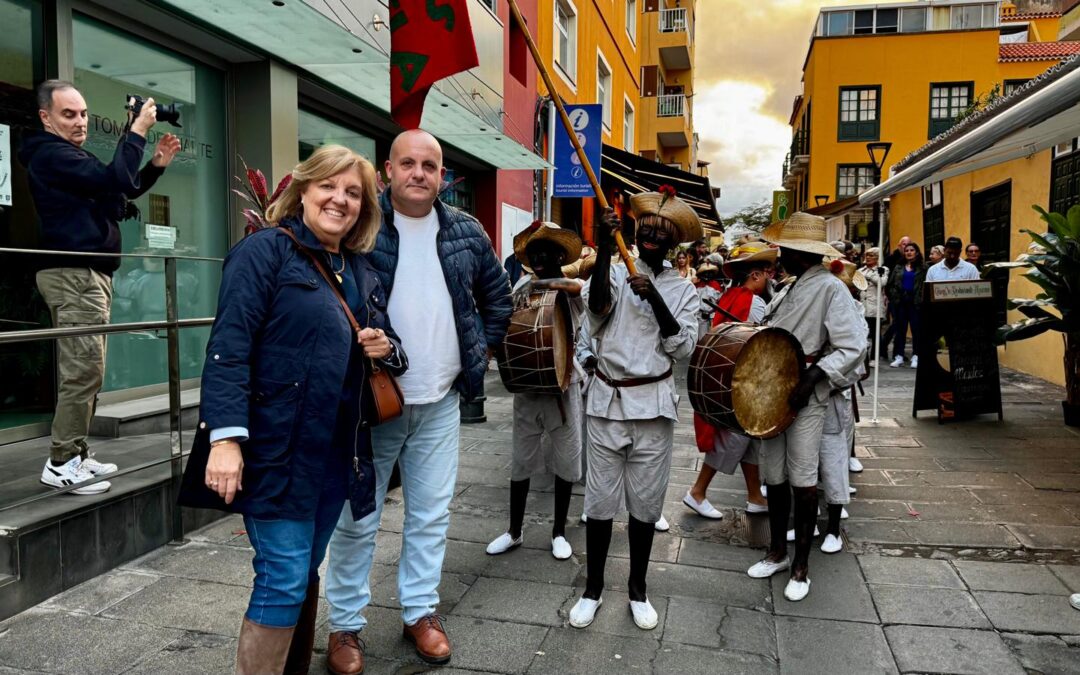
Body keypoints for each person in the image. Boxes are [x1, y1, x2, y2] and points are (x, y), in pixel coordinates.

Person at [177, 145, 406, 674]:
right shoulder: (264, 252)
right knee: (282, 576)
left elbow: (394, 348)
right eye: (328, 186)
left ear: (364, 208)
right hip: (275, 450)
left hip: (336, 456)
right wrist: (225, 439)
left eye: (353, 193)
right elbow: (228, 348)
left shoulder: (361, 270)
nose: (340, 199)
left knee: (303, 572)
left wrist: (385, 347)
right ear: (302, 190)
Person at [324, 129, 512, 672]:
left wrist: (479, 352)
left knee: (430, 514)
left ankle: (420, 612)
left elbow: (497, 297)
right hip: (374, 402)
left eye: (429, 166)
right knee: (357, 517)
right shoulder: (362, 223)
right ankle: (344, 626)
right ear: (388, 170)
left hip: (440, 402)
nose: (418, 173)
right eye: (407, 163)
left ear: (442, 175)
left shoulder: (466, 230)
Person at [19, 80, 180, 495]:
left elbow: (118, 187)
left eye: (84, 113)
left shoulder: (69, 157)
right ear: (46, 118)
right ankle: (60, 463)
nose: (80, 122)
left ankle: (75, 452)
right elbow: (115, 177)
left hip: (87, 275)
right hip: (74, 274)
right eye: (68, 114)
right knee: (83, 369)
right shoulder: (51, 155)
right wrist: (137, 130)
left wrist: (155, 166)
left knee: (90, 370)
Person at [568, 189, 700, 631]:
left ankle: (638, 589)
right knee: (599, 502)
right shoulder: (614, 269)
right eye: (646, 229)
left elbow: (682, 347)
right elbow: (596, 312)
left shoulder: (684, 289)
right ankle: (592, 589)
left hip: (654, 408)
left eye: (662, 234)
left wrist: (657, 300)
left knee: (645, 505)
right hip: (606, 402)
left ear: (673, 242)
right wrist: (606, 247)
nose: (652, 238)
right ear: (636, 231)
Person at [746, 212, 865, 603]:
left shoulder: (831, 288)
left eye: (786, 250)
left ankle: (801, 566)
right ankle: (777, 551)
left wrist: (813, 378)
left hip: (806, 396)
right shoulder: (790, 287)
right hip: (774, 393)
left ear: (803, 252)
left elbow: (852, 346)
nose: (780, 256)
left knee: (803, 479)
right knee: (774, 476)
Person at [487, 222, 584, 561]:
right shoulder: (521, 286)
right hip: (528, 389)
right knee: (521, 462)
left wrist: (539, 285)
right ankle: (514, 531)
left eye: (546, 253)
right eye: (534, 254)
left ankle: (559, 532)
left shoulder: (570, 287)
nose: (539, 259)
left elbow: (577, 288)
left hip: (563, 386)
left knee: (565, 462)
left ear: (559, 256)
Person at [685, 243, 776, 520]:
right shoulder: (755, 303)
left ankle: (755, 496)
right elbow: (762, 342)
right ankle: (697, 492)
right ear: (756, 275)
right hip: (742, 380)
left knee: (749, 441)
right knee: (734, 438)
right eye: (766, 274)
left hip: (725, 374)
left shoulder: (730, 296)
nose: (769, 279)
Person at [885, 242, 925, 369]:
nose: (909, 252)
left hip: (916, 302)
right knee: (900, 329)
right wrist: (893, 296)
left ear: (917, 252)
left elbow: (926, 284)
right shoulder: (898, 267)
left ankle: (916, 356)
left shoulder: (923, 268)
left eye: (912, 250)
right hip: (900, 301)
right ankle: (899, 356)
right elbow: (890, 284)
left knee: (916, 330)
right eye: (907, 250)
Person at [858, 248, 888, 368]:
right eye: (867, 255)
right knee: (862, 333)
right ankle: (862, 357)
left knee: (876, 334)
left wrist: (870, 276)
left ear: (877, 258)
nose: (868, 258)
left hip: (875, 306)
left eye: (871, 255)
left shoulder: (882, 269)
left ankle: (874, 358)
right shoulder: (861, 270)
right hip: (863, 305)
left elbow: (882, 283)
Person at [693, 261, 723, 339]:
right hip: (700, 316)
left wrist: (712, 312)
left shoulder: (716, 285)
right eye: (705, 273)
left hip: (713, 316)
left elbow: (720, 301)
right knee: (701, 337)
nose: (707, 275)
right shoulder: (697, 286)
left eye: (710, 273)